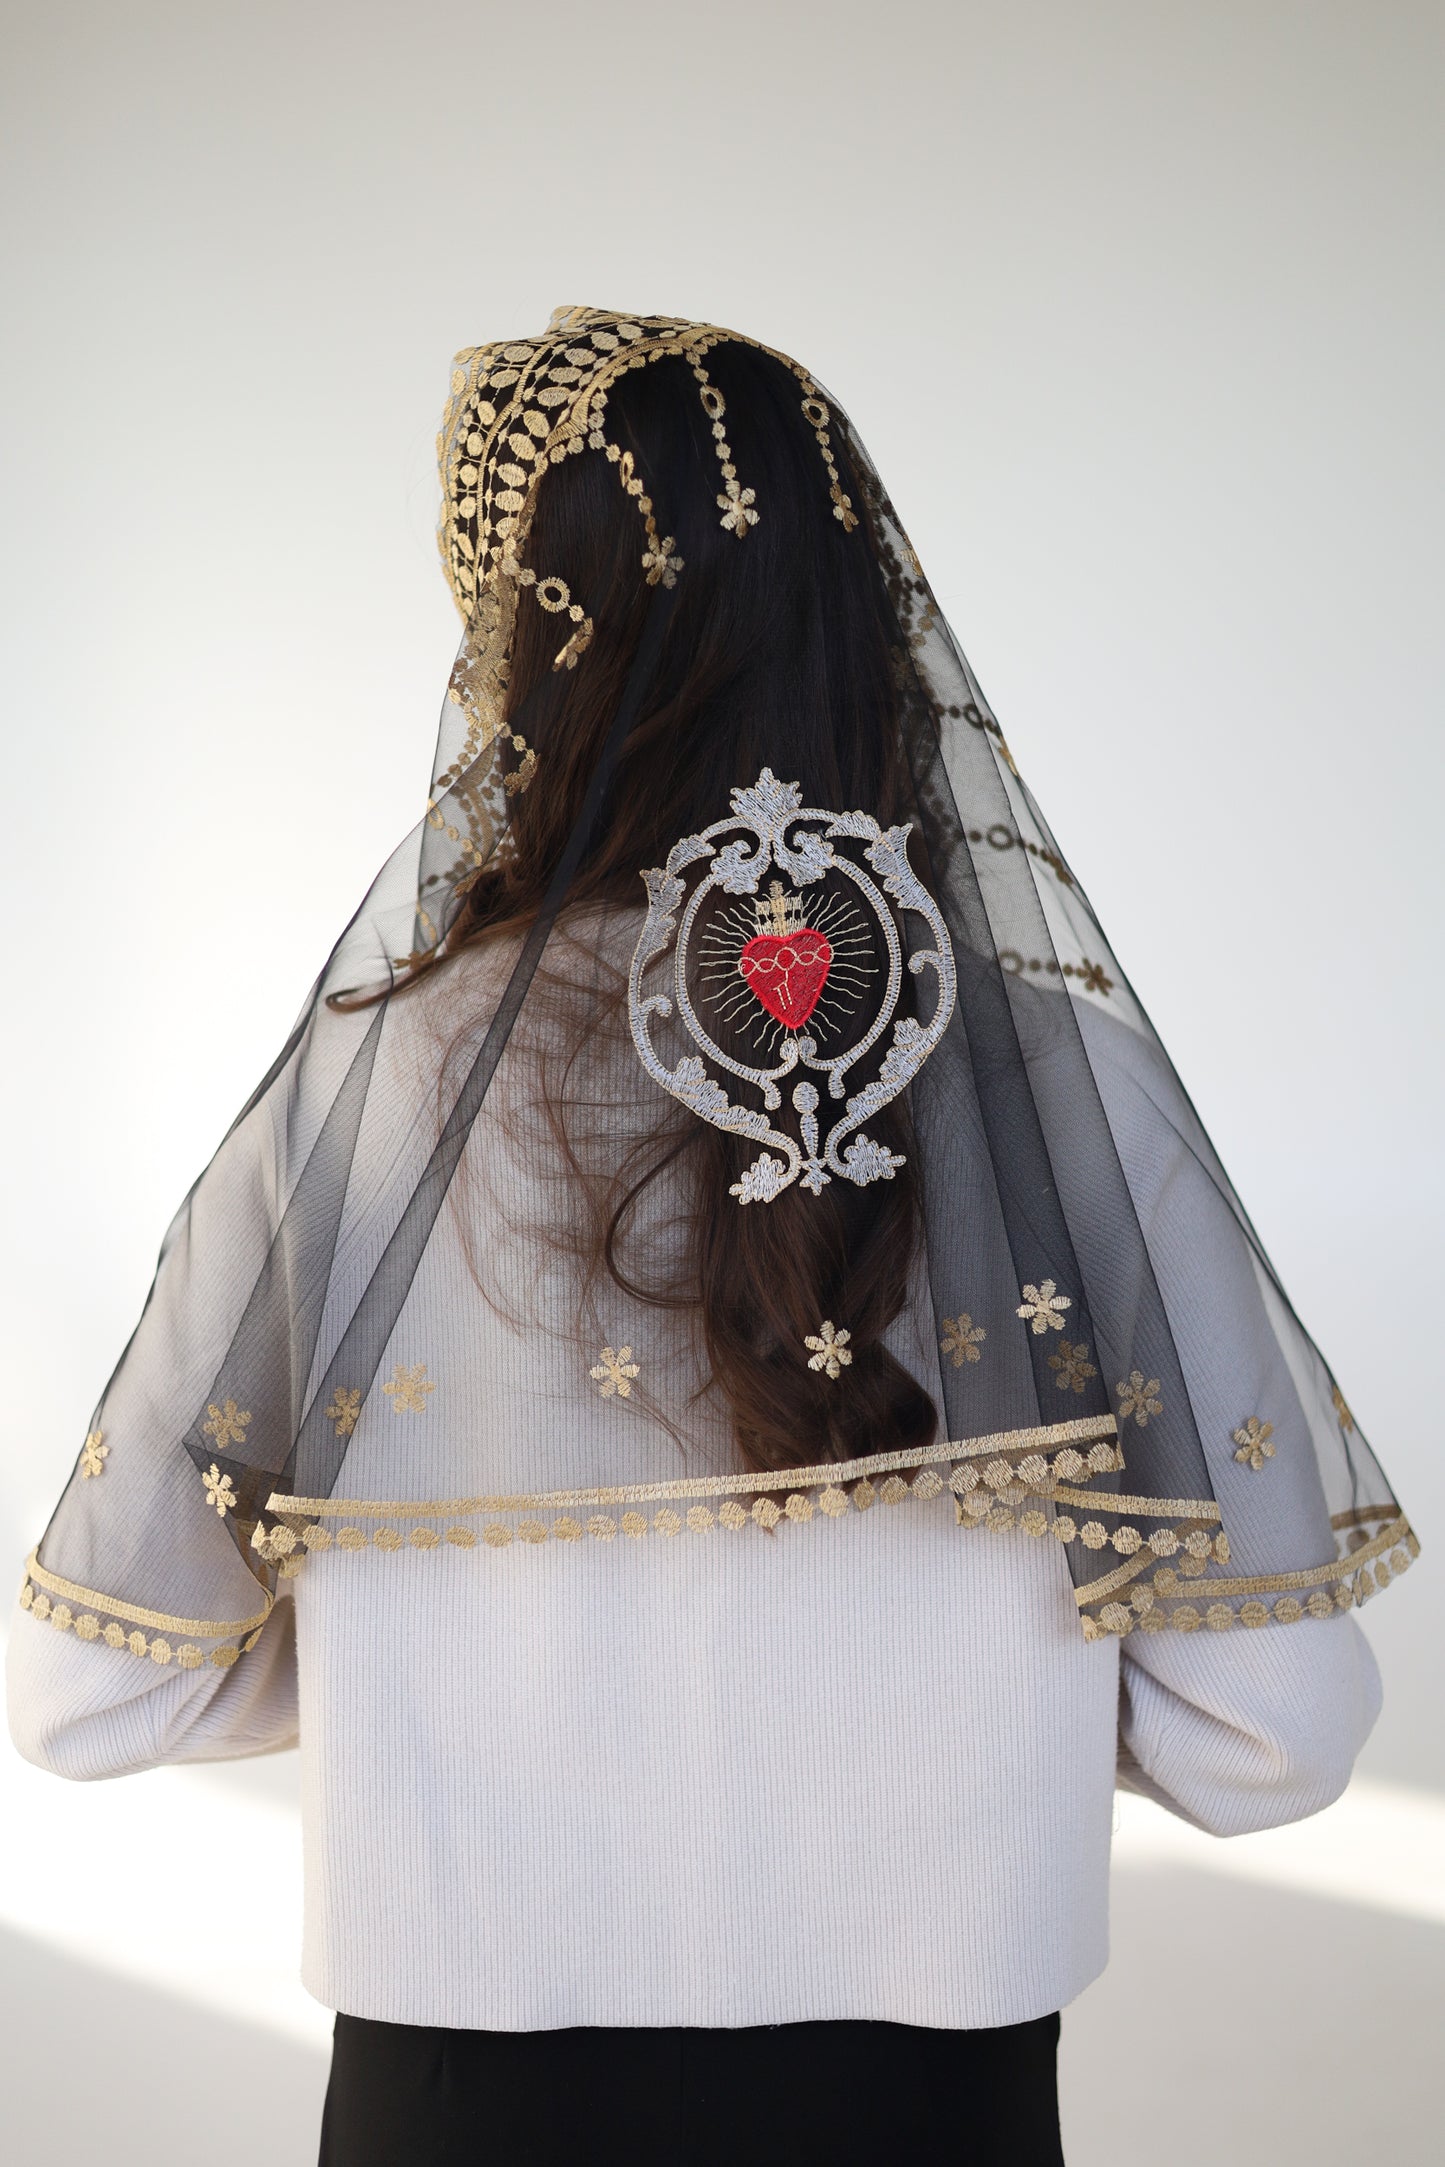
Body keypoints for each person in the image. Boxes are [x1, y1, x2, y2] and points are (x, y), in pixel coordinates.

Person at [7, 309, 1412, 2166]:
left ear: (529, 644)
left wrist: (425, 1673)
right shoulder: (1053, 1084)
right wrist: (969, 1722)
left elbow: (98, 1691)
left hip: (459, 2109)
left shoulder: (390, 1081)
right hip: (930, 2113)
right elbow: (1274, 1735)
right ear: (868, 621)